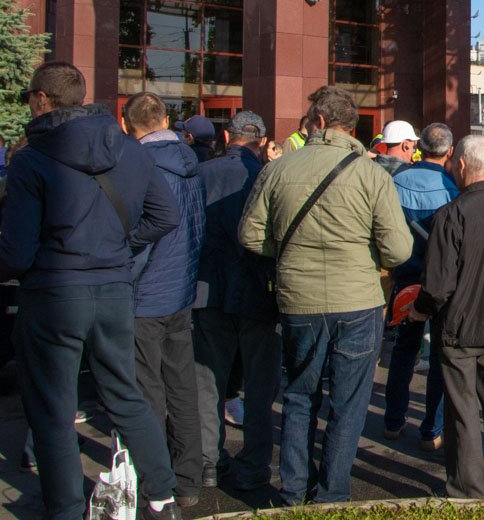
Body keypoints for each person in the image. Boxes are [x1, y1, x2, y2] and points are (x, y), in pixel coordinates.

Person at [0, 61, 183, 520]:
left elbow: (17, 252)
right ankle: (162, 498)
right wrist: (118, 247)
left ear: (42, 99)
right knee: (125, 395)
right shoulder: (128, 149)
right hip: (114, 289)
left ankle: (64, 509)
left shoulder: (31, 158)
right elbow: (166, 217)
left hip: (54, 293)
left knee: (53, 408)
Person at [238, 85, 413, 505]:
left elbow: (250, 236)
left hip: (298, 300)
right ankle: (332, 492)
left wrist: (286, 252)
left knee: (299, 395)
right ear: (352, 128)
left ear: (317, 122)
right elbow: (399, 250)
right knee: (349, 402)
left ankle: (294, 489)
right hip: (358, 300)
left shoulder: (278, 169)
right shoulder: (372, 173)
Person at [409, 135, 484, 499]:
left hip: (460, 328)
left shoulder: (452, 214)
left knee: (463, 412)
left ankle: (467, 490)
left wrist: (419, 310)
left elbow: (438, 284)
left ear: (460, 165)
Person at [122, 92, 207, 507]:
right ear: (166, 119)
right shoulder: (191, 163)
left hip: (146, 294)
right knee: (181, 388)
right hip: (180, 289)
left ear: (127, 125)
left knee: (147, 393)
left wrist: (123, 268)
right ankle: (188, 480)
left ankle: (150, 483)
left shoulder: (140, 166)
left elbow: (144, 234)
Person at [193, 110, 280, 491]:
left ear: (228, 138)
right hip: (257, 291)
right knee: (260, 386)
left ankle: (208, 460)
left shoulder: (202, 173)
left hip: (209, 289)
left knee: (208, 380)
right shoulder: (266, 176)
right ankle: (254, 463)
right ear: (260, 141)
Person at [384, 122, 458, 448]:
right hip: (441, 281)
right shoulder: (453, 188)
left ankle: (393, 420)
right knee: (440, 356)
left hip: (404, 276)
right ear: (450, 152)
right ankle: (432, 430)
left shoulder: (395, 182)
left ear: (418, 147)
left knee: (403, 351)